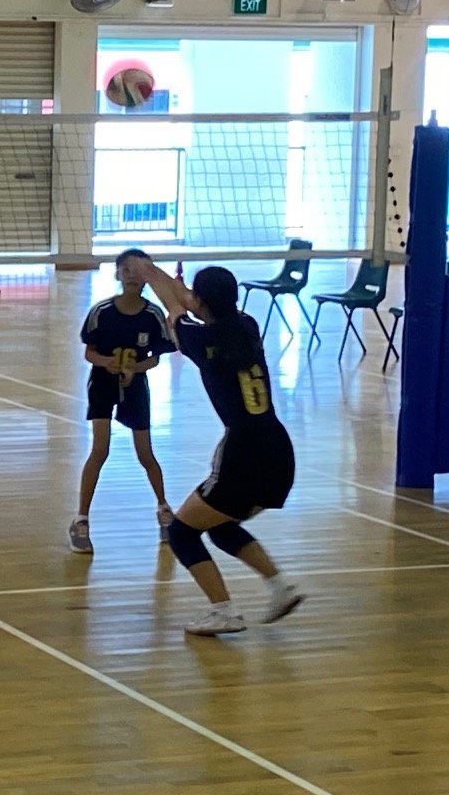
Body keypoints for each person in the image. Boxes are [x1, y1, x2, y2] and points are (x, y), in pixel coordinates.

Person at [124, 256, 304, 636]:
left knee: (181, 532)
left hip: (243, 452)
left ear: (201, 301)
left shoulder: (200, 340)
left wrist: (148, 271)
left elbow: (176, 309)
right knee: (221, 525)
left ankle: (224, 611)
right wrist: (180, 289)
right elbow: (188, 304)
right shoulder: (247, 326)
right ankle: (281, 586)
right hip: (277, 447)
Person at [69, 249, 173, 553]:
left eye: (138, 270)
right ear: (117, 274)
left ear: (147, 276)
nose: (131, 275)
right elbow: (89, 353)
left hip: (136, 386)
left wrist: (134, 368)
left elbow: (155, 359)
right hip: (102, 383)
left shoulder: (153, 315)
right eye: (126, 270)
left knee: (146, 455)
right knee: (100, 449)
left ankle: (164, 511)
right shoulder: (102, 312)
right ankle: (81, 520)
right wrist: (107, 363)